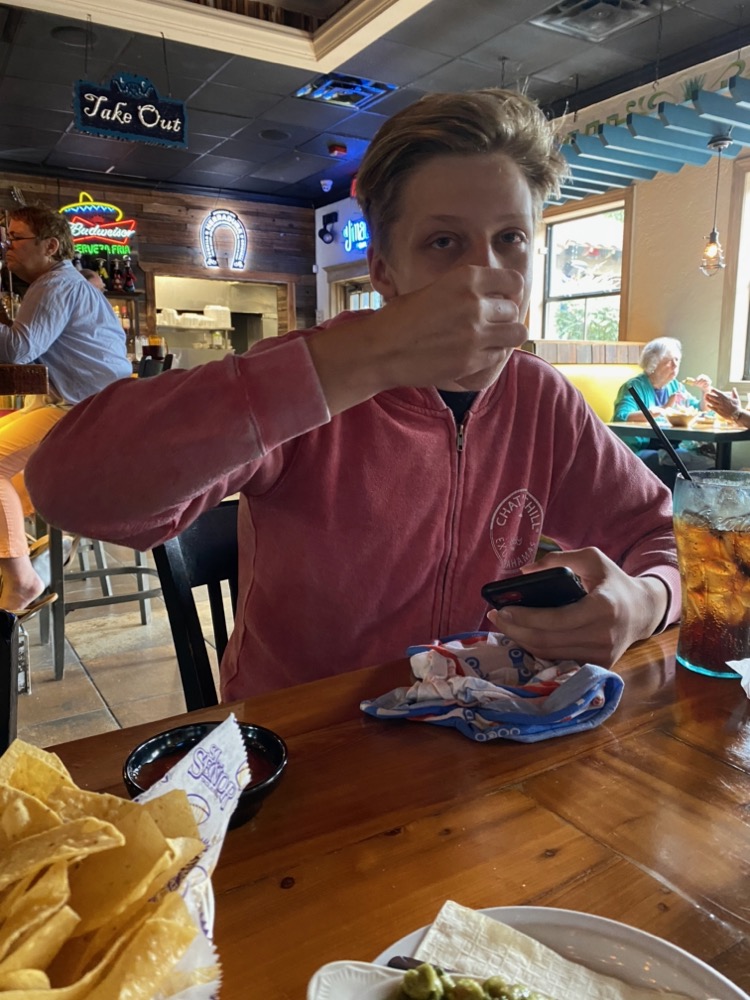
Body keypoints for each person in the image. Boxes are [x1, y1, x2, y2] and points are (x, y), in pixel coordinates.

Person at [26, 89, 681, 699]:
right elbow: (68, 488)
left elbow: (660, 532)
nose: (485, 275)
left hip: (477, 733)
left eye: (510, 239)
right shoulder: (312, 380)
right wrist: (363, 356)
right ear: (383, 273)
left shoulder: (542, 399)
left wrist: (645, 603)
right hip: (304, 742)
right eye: (444, 242)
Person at [0, 203, 132, 612]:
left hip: (86, 411)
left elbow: (18, 350)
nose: (7, 246)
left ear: (50, 246)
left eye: (15, 238)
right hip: (100, 409)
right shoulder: (64, 283)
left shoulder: (55, 284)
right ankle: (25, 554)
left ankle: (22, 578)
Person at [612, 337, 714, 473]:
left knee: (708, 461)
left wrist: (705, 391)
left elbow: (700, 410)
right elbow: (622, 417)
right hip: (641, 448)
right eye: (669, 361)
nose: (675, 365)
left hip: (670, 447)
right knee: (678, 464)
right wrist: (663, 409)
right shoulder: (634, 386)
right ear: (653, 364)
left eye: (677, 360)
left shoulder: (675, 386)